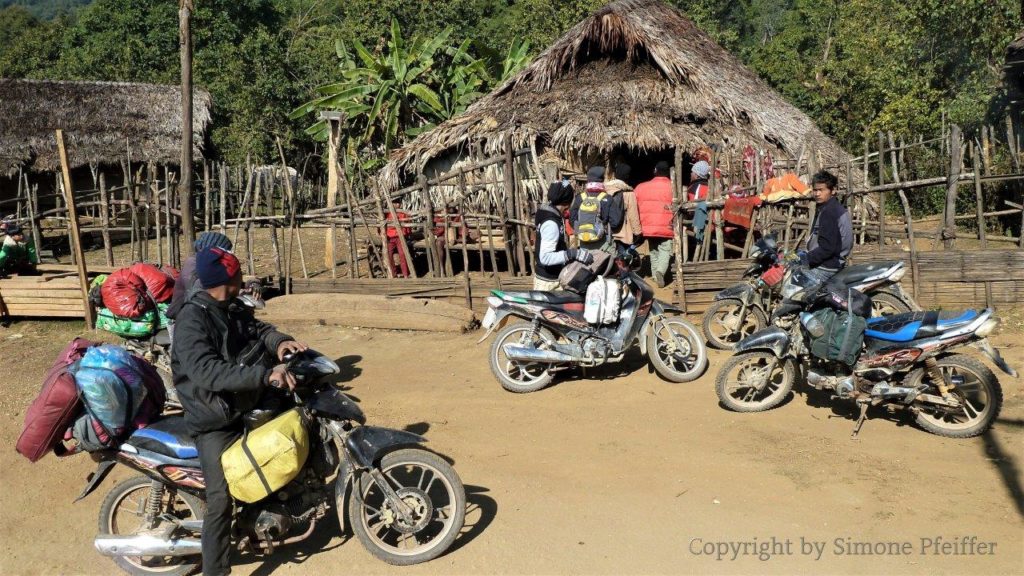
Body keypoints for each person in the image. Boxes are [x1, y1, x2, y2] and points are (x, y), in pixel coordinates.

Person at [171, 247, 307, 576]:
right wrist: (264, 374)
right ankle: (215, 571)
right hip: (215, 419)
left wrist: (279, 342)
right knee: (219, 500)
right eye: (238, 273)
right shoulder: (191, 321)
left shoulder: (229, 306)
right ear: (227, 279)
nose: (244, 277)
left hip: (244, 403)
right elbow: (208, 372)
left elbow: (257, 330)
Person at [535, 178, 594, 291]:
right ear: (567, 202)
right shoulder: (551, 223)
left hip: (550, 277)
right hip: (549, 283)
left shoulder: (549, 212)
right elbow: (545, 257)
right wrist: (572, 254)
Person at [166, 231, 234, 321]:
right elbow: (200, 291)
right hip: (184, 319)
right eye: (224, 251)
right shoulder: (193, 264)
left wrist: (252, 283)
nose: (226, 254)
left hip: (200, 315)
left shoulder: (210, 264)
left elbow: (227, 281)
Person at [802, 170, 853, 285]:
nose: (817, 194)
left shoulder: (829, 212)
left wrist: (805, 259)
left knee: (792, 294)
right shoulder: (833, 207)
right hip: (835, 260)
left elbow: (827, 249)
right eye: (815, 190)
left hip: (827, 265)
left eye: (821, 190)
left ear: (833, 190)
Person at [634, 161, 675, 288]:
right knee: (665, 249)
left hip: (648, 226)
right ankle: (660, 272)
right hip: (666, 226)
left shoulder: (641, 187)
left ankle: (655, 273)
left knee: (653, 249)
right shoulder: (674, 188)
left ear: (655, 171)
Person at [570, 166, 623, 255]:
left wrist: (584, 230)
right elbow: (616, 222)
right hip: (603, 243)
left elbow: (572, 220)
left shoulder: (580, 198)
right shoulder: (607, 198)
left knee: (586, 267)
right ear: (602, 180)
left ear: (588, 180)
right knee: (606, 267)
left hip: (584, 241)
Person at [607, 163, 642, 262]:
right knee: (622, 258)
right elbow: (633, 215)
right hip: (622, 231)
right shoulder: (628, 192)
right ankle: (623, 276)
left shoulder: (604, 190)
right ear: (627, 176)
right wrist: (637, 232)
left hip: (606, 229)